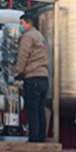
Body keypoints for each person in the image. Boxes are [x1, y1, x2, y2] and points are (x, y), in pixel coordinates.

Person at [15, 10, 50, 143]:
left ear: (28, 23)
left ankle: (33, 139)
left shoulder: (28, 36)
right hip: (43, 78)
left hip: (32, 78)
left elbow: (23, 55)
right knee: (40, 109)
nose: (20, 26)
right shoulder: (40, 36)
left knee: (31, 109)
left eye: (22, 23)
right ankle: (41, 138)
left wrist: (18, 72)